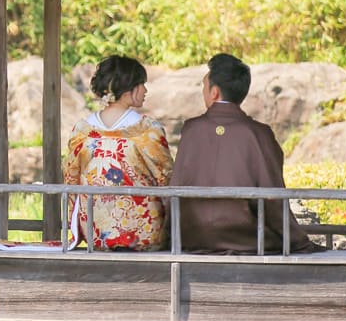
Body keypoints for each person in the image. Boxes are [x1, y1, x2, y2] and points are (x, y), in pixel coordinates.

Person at [170, 52, 322, 254]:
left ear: (214, 92)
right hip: (246, 237)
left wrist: (168, 234)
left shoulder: (191, 130)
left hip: (192, 237)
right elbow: (272, 195)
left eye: (204, 87)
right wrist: (297, 241)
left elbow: (176, 183)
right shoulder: (258, 133)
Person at [63, 55, 173, 250]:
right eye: (141, 84)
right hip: (144, 233)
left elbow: (71, 180)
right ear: (127, 89)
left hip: (95, 232)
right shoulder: (148, 130)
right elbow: (166, 178)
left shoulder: (82, 131)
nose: (145, 90)